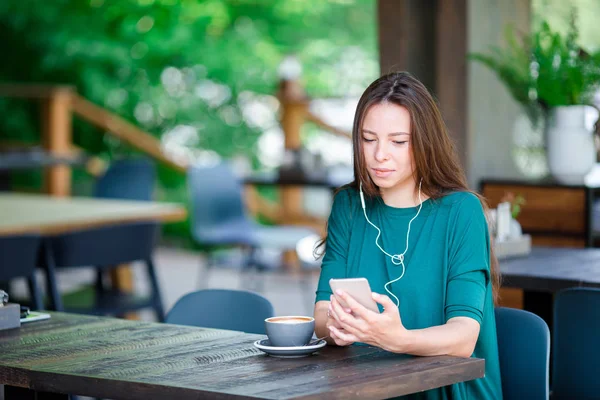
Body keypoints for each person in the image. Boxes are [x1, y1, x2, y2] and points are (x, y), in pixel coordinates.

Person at [313, 71, 502, 399]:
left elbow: (463, 337)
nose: (379, 155)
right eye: (368, 139)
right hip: (369, 388)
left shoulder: (462, 212)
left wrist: (394, 338)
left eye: (398, 141)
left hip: (448, 391)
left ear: (425, 142)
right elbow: (320, 315)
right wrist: (339, 327)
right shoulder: (348, 206)